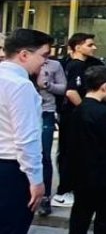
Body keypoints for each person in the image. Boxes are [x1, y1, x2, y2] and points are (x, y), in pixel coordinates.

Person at [0, 28, 54, 234]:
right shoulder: (21, 86)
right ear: (24, 54)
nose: (44, 63)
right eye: (43, 55)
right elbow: (26, 138)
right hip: (13, 169)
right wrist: (36, 179)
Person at [63, 66, 106, 234]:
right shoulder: (104, 113)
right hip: (103, 177)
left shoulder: (77, 110)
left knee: (78, 223)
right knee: (104, 225)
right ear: (105, 86)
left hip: (81, 176)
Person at [56, 32, 103, 207]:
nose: (94, 48)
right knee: (69, 151)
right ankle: (64, 190)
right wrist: (87, 110)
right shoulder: (76, 65)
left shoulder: (87, 64)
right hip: (72, 115)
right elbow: (71, 91)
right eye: (90, 45)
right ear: (77, 47)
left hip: (75, 114)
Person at [34, 53, 66, 216]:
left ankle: (45, 197)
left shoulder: (53, 65)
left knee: (44, 154)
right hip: (27, 109)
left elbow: (63, 87)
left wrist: (47, 85)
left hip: (46, 110)